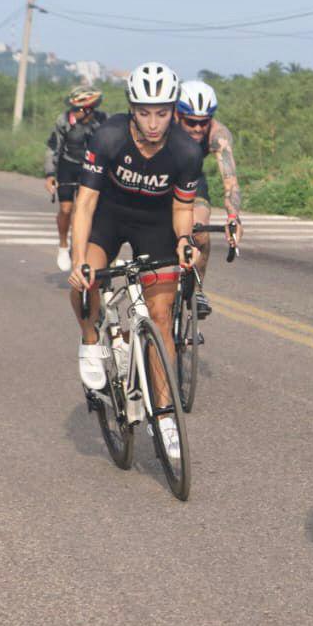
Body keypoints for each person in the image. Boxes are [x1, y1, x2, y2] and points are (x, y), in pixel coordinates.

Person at [66, 63, 202, 459]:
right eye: (144, 113)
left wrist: (182, 239)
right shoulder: (107, 137)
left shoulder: (186, 151)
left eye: (162, 112)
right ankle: (92, 339)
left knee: (160, 317)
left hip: (156, 223)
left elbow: (182, 208)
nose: (154, 123)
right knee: (86, 281)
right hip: (108, 216)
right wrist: (78, 260)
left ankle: (164, 416)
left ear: (173, 111)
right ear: (131, 109)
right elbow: (86, 203)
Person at [175, 80, 244, 317]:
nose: (197, 128)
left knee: (200, 231)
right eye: (191, 122)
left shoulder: (218, 135)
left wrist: (233, 217)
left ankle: (197, 290)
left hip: (192, 179)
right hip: (161, 179)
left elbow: (230, 181)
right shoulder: (164, 127)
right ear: (177, 114)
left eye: (203, 122)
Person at [45, 86, 105, 271]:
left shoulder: (103, 121)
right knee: (66, 209)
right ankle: (63, 245)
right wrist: (49, 174)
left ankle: (80, 244)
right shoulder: (64, 120)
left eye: (77, 109)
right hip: (68, 165)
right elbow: (54, 147)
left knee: (84, 208)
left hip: (91, 167)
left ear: (88, 110)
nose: (74, 112)